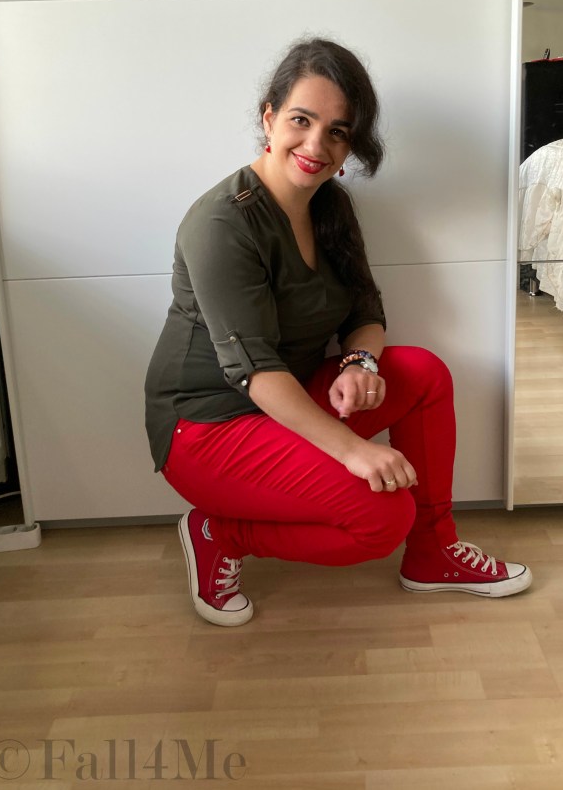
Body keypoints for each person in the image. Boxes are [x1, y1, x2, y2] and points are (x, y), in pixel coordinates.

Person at [144, 37, 532, 627]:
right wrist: (352, 451)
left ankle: (432, 553)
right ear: (269, 118)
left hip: (286, 398)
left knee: (423, 373)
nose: (316, 145)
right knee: (382, 518)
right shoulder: (221, 223)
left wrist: (361, 365)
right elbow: (253, 370)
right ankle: (219, 531)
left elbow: (365, 313)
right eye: (302, 120)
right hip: (205, 423)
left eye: (338, 131)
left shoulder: (329, 205)